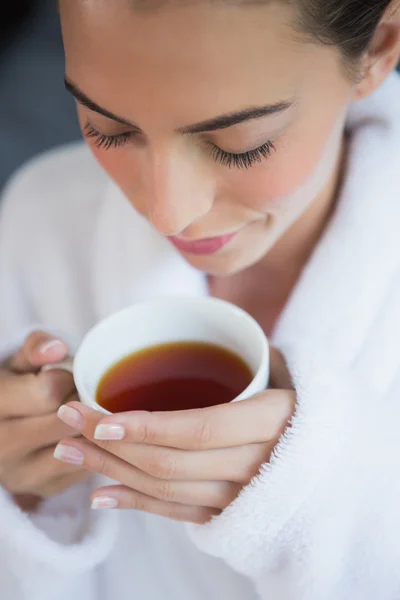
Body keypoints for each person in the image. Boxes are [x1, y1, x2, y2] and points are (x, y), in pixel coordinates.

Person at [0, 0, 399, 598]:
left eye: (241, 144)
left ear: (378, 49)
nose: (167, 213)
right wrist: (19, 494)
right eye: (108, 128)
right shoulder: (44, 218)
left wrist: (316, 492)